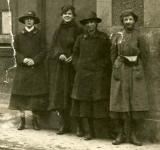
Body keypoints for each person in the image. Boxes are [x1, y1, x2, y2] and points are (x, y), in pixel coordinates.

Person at [110, 10, 149, 146]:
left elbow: (145, 55)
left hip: (135, 72)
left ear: (134, 21)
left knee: (135, 103)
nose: (128, 22)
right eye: (125, 19)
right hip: (120, 72)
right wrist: (116, 65)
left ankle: (133, 135)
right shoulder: (117, 36)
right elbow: (113, 54)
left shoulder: (140, 36)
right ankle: (121, 134)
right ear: (122, 21)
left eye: (130, 19)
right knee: (119, 102)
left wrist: (138, 67)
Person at [71, 12, 112, 140]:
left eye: (92, 22)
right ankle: (88, 131)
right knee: (84, 105)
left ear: (96, 23)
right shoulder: (80, 38)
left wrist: (100, 67)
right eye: (87, 22)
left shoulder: (103, 38)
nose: (90, 25)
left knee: (97, 104)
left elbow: (108, 56)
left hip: (97, 76)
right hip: (82, 76)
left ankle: (100, 131)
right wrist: (78, 66)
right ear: (85, 25)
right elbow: (75, 54)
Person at [9, 11, 48, 130]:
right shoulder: (19, 35)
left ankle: (35, 121)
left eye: (31, 19)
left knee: (35, 98)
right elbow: (15, 51)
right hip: (23, 70)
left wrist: (35, 60)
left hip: (36, 69)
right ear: (24, 21)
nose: (29, 21)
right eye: (27, 19)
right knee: (21, 97)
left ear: (34, 21)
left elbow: (44, 50)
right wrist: (23, 59)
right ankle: (22, 121)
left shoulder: (40, 34)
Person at [48, 5, 82, 135]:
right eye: (65, 13)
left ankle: (78, 125)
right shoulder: (58, 30)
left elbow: (81, 46)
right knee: (61, 95)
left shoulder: (79, 29)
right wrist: (59, 54)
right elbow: (53, 47)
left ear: (73, 15)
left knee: (74, 94)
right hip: (61, 67)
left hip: (73, 67)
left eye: (69, 13)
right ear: (61, 15)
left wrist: (73, 56)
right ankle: (64, 123)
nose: (67, 15)